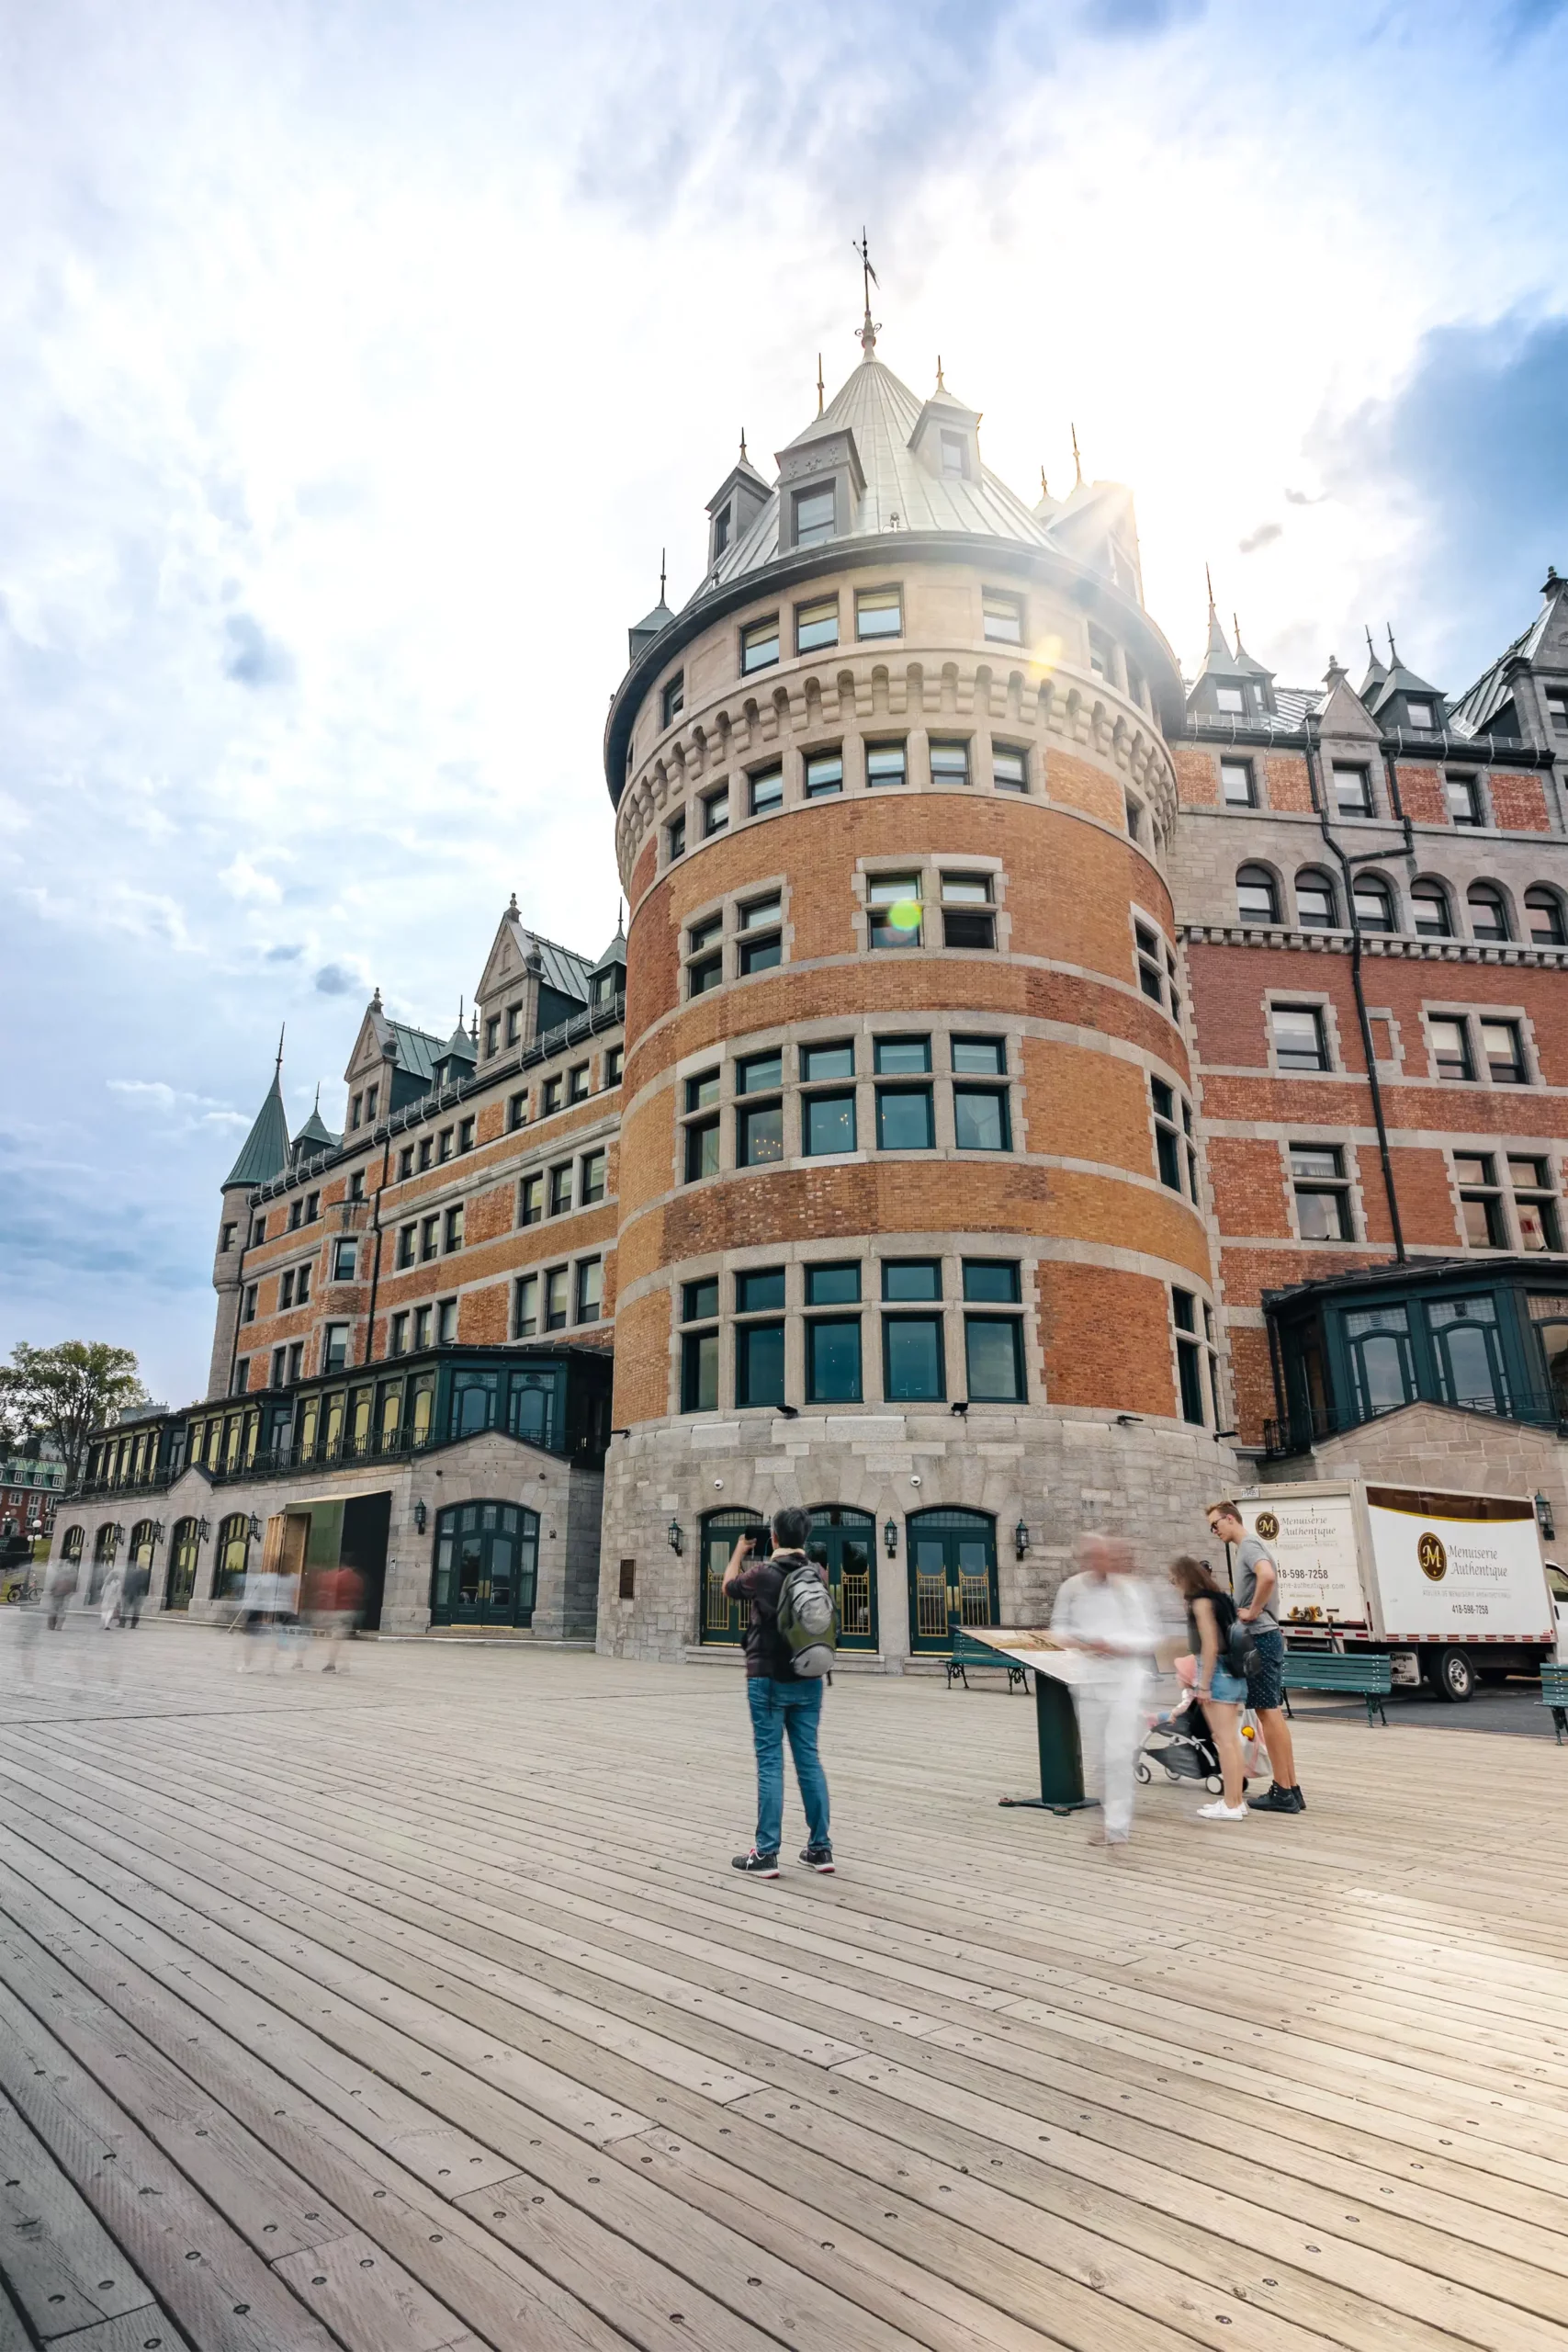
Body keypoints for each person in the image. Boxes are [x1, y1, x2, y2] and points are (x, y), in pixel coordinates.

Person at [723, 1505, 833, 1877]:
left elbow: (728, 1587)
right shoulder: (816, 1572)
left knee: (770, 1762)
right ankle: (820, 1849)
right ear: (804, 1538)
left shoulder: (763, 1573)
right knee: (809, 1761)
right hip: (810, 1677)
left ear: (773, 1537)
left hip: (767, 1677)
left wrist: (739, 1551)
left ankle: (766, 1853)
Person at [1050, 1533, 1159, 1850]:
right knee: (1100, 1756)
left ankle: (1117, 1828)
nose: (1099, 1562)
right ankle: (1108, 1821)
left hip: (1125, 1682)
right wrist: (1080, 1641)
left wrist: (1116, 1645)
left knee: (1118, 1755)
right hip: (1089, 1680)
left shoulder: (1132, 1591)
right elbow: (1058, 1627)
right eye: (1092, 1556)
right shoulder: (1072, 1587)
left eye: (1105, 1556)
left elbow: (1148, 1637)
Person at [1206, 1500, 1304, 1814]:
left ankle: (1284, 1792)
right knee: (1271, 1713)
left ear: (1230, 1519)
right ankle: (1290, 1787)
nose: (1214, 1531)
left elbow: (1268, 1576)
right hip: (1268, 1636)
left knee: (1267, 1713)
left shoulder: (1248, 1546)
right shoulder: (1248, 1547)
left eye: (1215, 1524)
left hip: (1260, 1636)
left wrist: (1253, 1609)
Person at [1168, 1555, 1248, 1821]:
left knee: (1224, 1742)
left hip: (1216, 1672)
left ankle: (1232, 1804)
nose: (1172, 1582)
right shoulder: (1220, 1598)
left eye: (1174, 1577)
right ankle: (1235, 1800)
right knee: (1230, 1742)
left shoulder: (1200, 1603)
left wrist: (1203, 1686)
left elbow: (1210, 1645)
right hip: (1232, 1671)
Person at [120, 1558, 151, 1629]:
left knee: (125, 1609)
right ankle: (133, 1624)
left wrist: (124, 1591)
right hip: (138, 1594)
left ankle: (122, 1623)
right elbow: (145, 1584)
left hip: (130, 1593)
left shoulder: (129, 1573)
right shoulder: (144, 1573)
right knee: (136, 1610)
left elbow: (126, 1583)